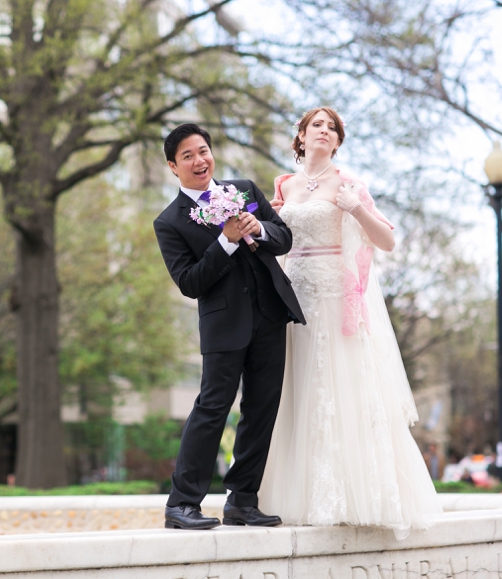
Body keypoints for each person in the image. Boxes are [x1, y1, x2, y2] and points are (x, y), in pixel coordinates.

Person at [259, 107, 442, 540]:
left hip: (335, 300)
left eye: (331, 127)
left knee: (341, 391)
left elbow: (388, 241)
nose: (323, 131)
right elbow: (275, 239)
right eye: (315, 125)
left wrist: (357, 209)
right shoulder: (282, 186)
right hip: (293, 298)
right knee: (296, 391)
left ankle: (355, 495)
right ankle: (290, 498)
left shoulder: (350, 184)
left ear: (337, 141)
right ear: (300, 137)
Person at [153, 124, 304, 530]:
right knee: (212, 408)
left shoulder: (245, 190)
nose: (199, 160)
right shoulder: (169, 222)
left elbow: (284, 237)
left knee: (261, 409)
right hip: (224, 327)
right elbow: (189, 282)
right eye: (188, 156)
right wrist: (226, 240)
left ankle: (242, 501)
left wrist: (260, 229)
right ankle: (182, 503)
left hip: (271, 314)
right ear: (173, 166)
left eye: (203, 151)